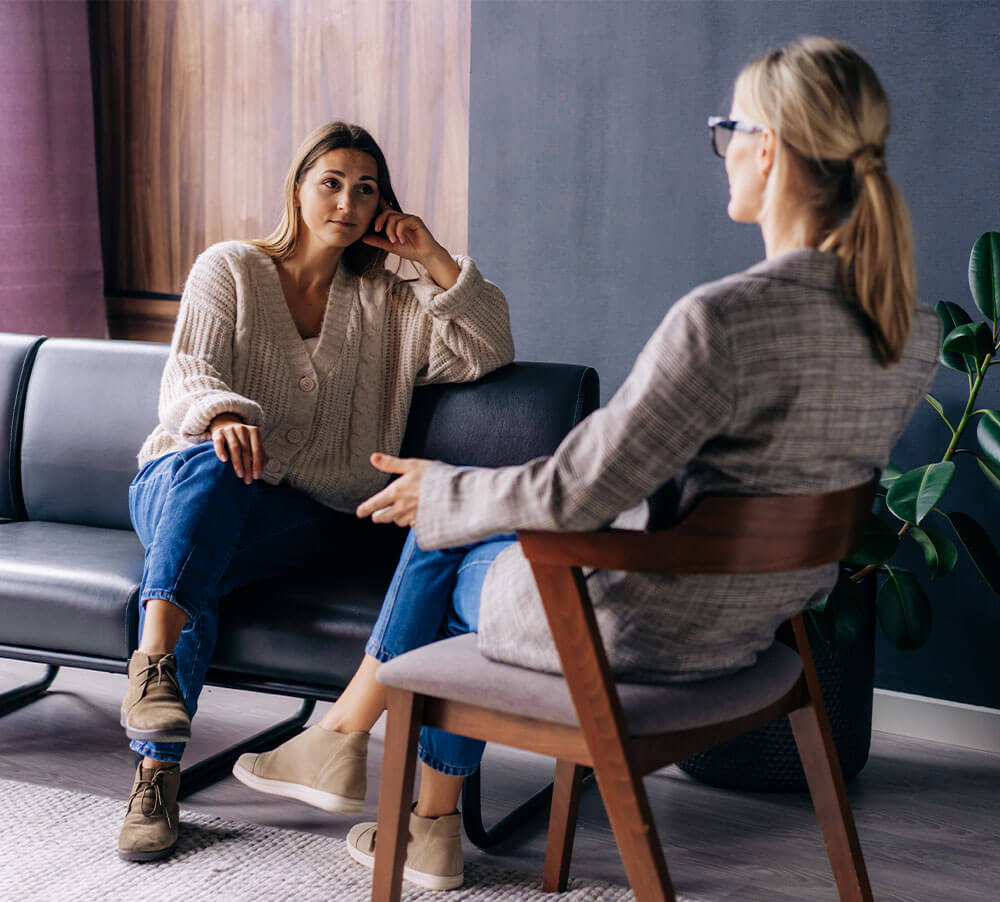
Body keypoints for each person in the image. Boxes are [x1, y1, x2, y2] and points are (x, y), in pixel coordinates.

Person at [235, 37, 941, 892]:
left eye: (728, 130)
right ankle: (406, 807)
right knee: (463, 512)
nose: (724, 152)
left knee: (444, 532)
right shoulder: (908, 328)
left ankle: (368, 768)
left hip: (640, 630)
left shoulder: (725, 319)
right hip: (755, 629)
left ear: (771, 148)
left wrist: (446, 490)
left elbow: (579, 490)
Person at [117, 120, 514, 862]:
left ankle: (153, 762)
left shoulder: (392, 303)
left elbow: (488, 352)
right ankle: (156, 695)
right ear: (297, 191)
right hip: (181, 478)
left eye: (366, 189)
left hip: (307, 517)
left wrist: (432, 257)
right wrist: (225, 413)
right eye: (330, 182)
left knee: (204, 556)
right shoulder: (229, 267)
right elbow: (187, 375)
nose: (347, 200)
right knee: (216, 472)